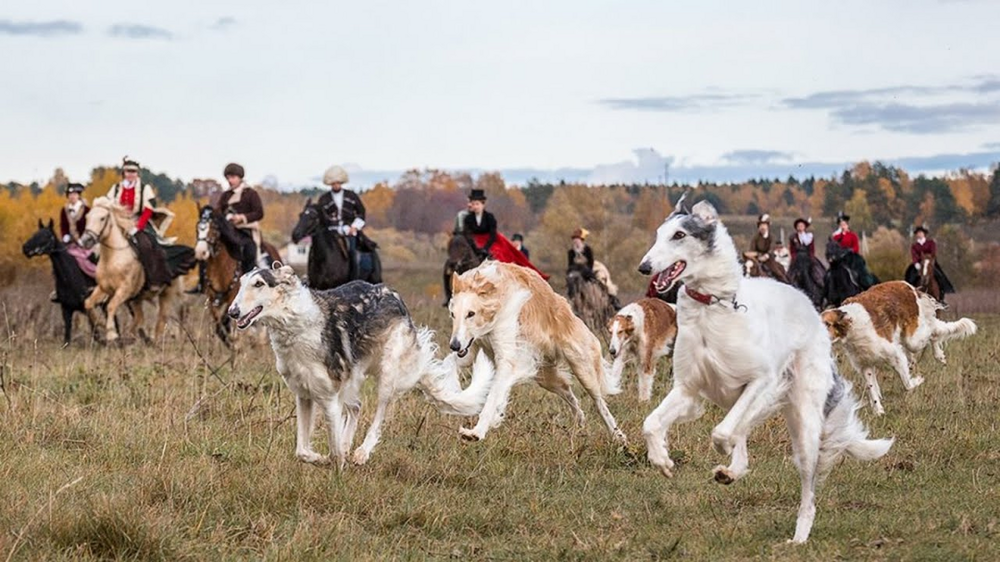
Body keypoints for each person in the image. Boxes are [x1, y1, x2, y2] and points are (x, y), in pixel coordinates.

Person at [106, 157, 172, 289]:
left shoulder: (144, 188)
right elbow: (108, 205)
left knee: (146, 246)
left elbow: (148, 209)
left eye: (133, 172)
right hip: (117, 223)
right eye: (128, 172)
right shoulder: (116, 189)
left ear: (137, 174)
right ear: (123, 173)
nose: (131, 175)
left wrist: (138, 227)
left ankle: (151, 279)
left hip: (137, 222)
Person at [463, 189, 548, 279]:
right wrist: (474, 246)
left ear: (483, 204)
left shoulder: (489, 217)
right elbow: (467, 233)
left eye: (478, 204)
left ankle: (503, 277)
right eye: (474, 204)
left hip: (489, 240)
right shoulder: (468, 218)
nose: (476, 207)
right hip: (474, 240)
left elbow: (492, 234)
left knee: (500, 253)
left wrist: (486, 248)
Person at [318, 165, 368, 280]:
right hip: (331, 232)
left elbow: (361, 212)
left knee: (352, 252)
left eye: (338, 182)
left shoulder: (351, 196)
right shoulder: (324, 199)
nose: (336, 185)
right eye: (333, 183)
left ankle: (354, 278)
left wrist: (354, 227)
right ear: (330, 184)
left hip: (349, 232)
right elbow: (322, 218)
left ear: (341, 182)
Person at [215, 163, 264, 273]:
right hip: (228, 230)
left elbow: (259, 213)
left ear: (240, 177)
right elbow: (218, 212)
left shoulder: (251, 194)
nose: (230, 180)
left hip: (246, 231)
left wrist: (242, 217)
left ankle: (249, 277)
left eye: (232, 177)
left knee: (249, 250)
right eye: (228, 178)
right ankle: (202, 283)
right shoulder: (225, 195)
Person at [904, 226, 956, 298]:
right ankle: (909, 294)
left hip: (930, 262)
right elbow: (914, 255)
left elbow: (933, 252)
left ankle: (941, 295)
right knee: (910, 276)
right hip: (919, 263)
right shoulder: (914, 246)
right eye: (918, 233)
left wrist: (930, 260)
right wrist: (916, 263)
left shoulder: (930, 243)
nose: (919, 234)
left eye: (921, 233)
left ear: (924, 234)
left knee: (939, 275)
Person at [59, 182, 97, 279]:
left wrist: (83, 239)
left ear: (79, 196)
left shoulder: (87, 209)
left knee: (81, 259)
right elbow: (63, 225)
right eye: (70, 195)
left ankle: (94, 277)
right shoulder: (64, 210)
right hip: (70, 242)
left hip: (86, 242)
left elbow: (90, 226)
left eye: (75, 194)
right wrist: (65, 235)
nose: (72, 197)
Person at [788, 218, 825, 306]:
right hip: (797, 258)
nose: (800, 227)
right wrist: (794, 258)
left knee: (817, 274)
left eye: (802, 226)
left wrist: (811, 258)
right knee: (790, 276)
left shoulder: (809, 237)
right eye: (798, 226)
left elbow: (812, 249)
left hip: (807, 257)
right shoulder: (793, 237)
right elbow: (792, 250)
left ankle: (819, 291)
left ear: (804, 227)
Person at [747, 214, 789, 282]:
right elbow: (752, 249)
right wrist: (754, 256)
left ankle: (785, 282)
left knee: (777, 272)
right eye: (761, 225)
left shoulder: (771, 237)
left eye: (764, 225)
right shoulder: (755, 238)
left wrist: (766, 256)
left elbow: (771, 248)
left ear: (767, 226)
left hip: (769, 259)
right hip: (757, 258)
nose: (762, 227)